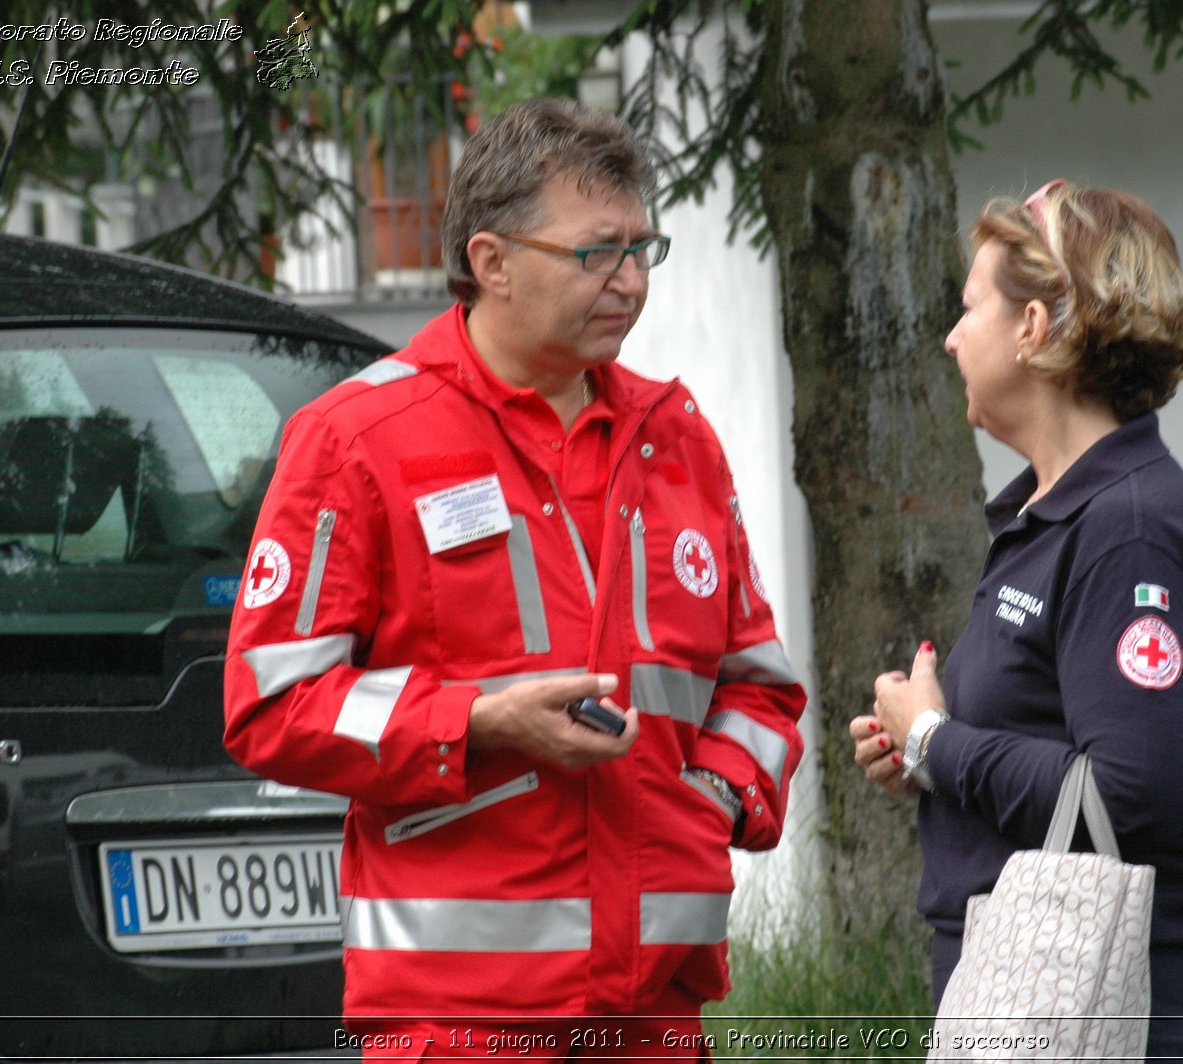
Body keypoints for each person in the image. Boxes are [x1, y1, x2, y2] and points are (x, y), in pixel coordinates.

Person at [224, 97, 806, 1059]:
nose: (629, 282)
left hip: (659, 1018)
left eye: (642, 250)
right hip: (460, 1024)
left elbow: (762, 689)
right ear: (491, 262)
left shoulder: (677, 438)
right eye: (595, 253)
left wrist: (708, 803)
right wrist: (473, 724)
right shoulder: (357, 441)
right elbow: (271, 702)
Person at [850, 180, 1183, 1060]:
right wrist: (931, 762)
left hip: (1145, 1014)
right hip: (1054, 1000)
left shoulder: (1128, 530)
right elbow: (1063, 745)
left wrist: (939, 741)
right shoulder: (1063, 512)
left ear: (1036, 329)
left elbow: (1133, 788)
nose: (951, 335)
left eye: (969, 308)